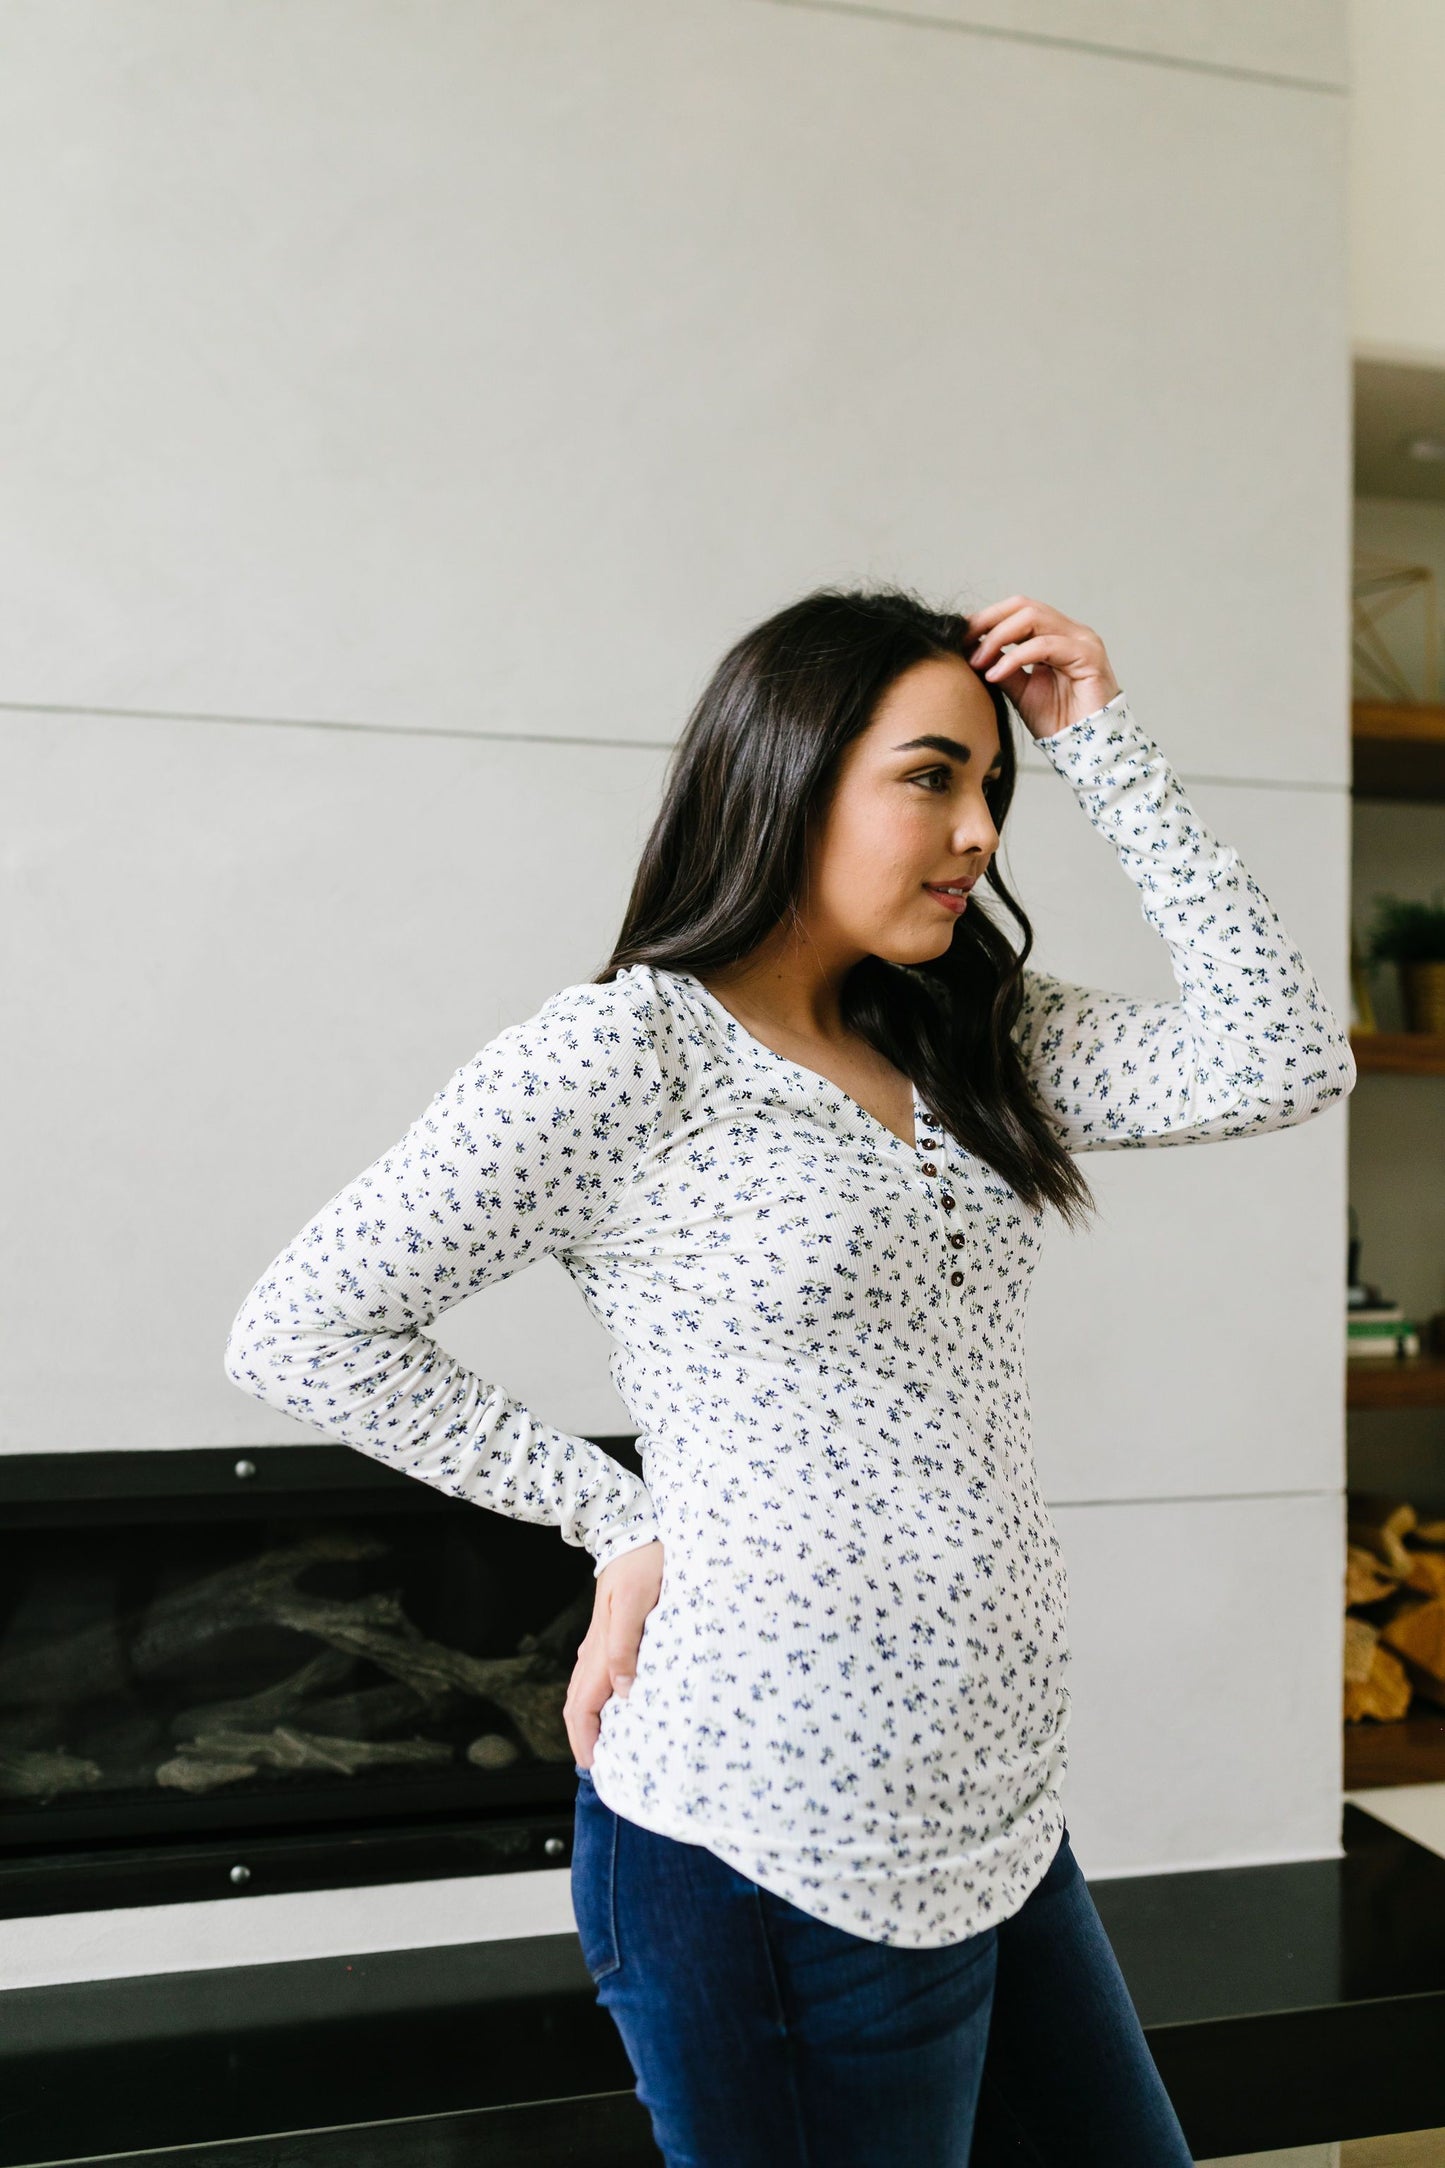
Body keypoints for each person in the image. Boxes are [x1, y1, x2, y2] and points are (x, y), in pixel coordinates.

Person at [224, 587, 1356, 2165]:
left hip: (993, 1811)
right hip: (764, 1843)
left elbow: (1282, 1057)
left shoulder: (972, 1033)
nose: (974, 831)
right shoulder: (622, 1057)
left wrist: (1096, 738)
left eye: (989, 786)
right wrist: (612, 1520)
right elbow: (304, 1328)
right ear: (786, 774)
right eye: (927, 777)